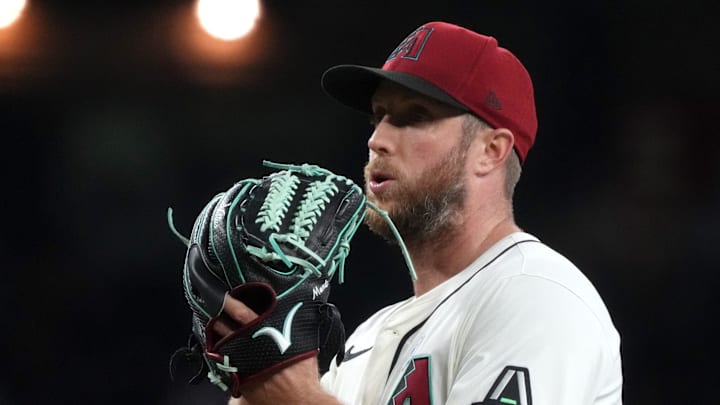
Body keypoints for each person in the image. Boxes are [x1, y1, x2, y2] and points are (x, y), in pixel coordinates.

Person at [222, 21, 623, 404]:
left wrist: (296, 396)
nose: (377, 139)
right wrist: (258, 370)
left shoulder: (536, 296)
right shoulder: (368, 337)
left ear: (491, 151)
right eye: (377, 117)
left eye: (414, 117)